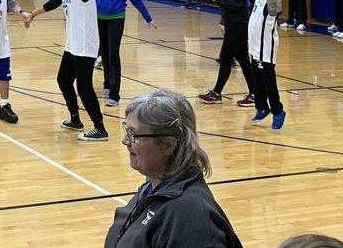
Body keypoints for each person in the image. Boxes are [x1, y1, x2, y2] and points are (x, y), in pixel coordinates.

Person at [104, 89, 243, 248]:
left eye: (134, 134)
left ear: (168, 145)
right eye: (126, 130)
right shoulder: (154, 186)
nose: (125, 140)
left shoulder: (192, 217)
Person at [24, 0, 108, 142]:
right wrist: (33, 14)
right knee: (63, 80)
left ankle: (100, 128)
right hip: (72, 44)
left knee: (84, 87)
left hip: (86, 44)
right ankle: (75, 119)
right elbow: (54, 2)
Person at [97, 0, 157, 107]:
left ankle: (115, 93)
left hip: (116, 17)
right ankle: (107, 83)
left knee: (112, 53)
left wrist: (147, 17)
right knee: (103, 52)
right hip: (99, 18)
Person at [197, 0, 256, 108]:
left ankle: (216, 93)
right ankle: (255, 94)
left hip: (239, 23)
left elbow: (237, 5)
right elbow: (224, 1)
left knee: (225, 57)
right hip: (230, 22)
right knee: (243, 60)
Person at [246, 0, 285, 129]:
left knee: (269, 83)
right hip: (254, 48)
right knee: (257, 81)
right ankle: (262, 107)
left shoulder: (275, 3)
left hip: (265, 50)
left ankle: (278, 111)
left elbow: (272, 2)